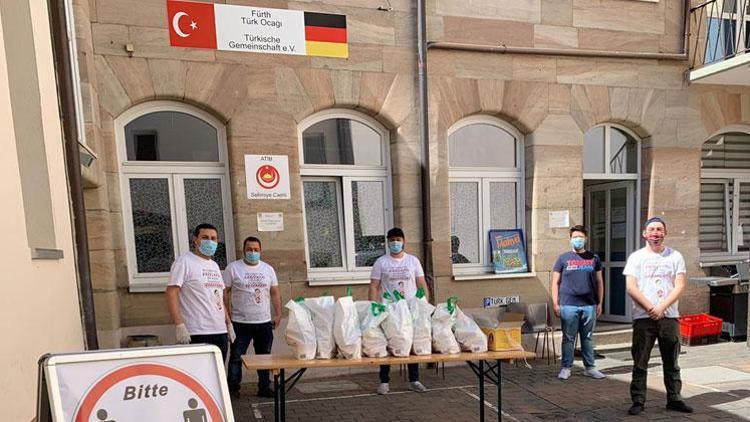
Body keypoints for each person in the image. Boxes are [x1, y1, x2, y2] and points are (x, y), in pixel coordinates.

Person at [624, 217, 693, 415]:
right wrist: (650, 308)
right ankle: (638, 400)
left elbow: (679, 285)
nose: (656, 233)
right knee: (640, 361)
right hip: (643, 317)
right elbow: (631, 287)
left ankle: (674, 398)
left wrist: (662, 307)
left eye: (659, 229)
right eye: (652, 229)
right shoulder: (636, 257)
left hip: (669, 316)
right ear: (644, 234)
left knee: (671, 361)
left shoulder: (675, 256)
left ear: (665, 233)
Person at [368, 227, 431, 395]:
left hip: (410, 308)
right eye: (392, 240)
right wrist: (374, 305)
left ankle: (414, 380)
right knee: (387, 343)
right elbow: (374, 286)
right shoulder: (381, 262)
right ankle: (384, 381)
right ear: (388, 242)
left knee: (410, 341)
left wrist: (425, 302)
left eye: (398, 239)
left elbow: (421, 282)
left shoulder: (412, 261)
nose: (395, 243)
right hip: (390, 309)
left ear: (404, 241)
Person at [166, 223, 233, 362]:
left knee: (217, 375)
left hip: (219, 330)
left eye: (213, 238)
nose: (210, 241)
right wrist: (179, 324)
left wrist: (228, 322)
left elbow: (218, 296)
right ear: (195, 240)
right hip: (197, 331)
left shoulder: (214, 265)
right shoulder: (184, 262)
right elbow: (171, 292)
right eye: (205, 237)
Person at [224, 236, 281, 399]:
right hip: (240, 323)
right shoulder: (233, 268)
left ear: (260, 251)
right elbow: (224, 292)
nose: (253, 252)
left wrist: (278, 314)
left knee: (264, 357)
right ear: (244, 250)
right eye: (249, 249)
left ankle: (264, 387)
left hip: (264, 322)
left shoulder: (268, 269)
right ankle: (233, 389)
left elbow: (275, 292)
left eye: (256, 250)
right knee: (236, 357)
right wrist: (226, 315)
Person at [551, 225, 606, 380]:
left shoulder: (593, 258)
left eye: (580, 237)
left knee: (587, 337)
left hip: (589, 304)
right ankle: (566, 367)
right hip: (568, 305)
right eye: (575, 237)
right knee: (568, 338)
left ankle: (590, 367)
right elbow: (555, 282)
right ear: (570, 239)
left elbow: (599, 281)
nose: (578, 240)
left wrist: (600, 302)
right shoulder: (563, 258)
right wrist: (556, 303)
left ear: (586, 239)